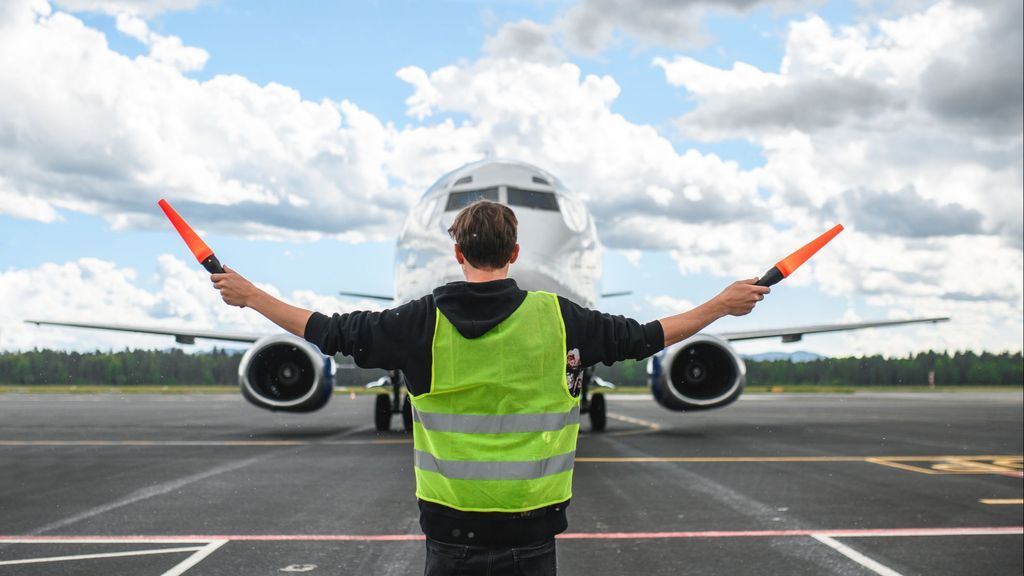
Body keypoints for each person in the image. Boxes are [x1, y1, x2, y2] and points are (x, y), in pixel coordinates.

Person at [212, 200, 769, 575]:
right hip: (532, 526)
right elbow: (648, 337)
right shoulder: (562, 319)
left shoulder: (418, 322)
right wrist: (721, 305)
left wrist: (254, 296)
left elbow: (327, 332)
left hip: (451, 527)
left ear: (457, 254)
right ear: (515, 254)